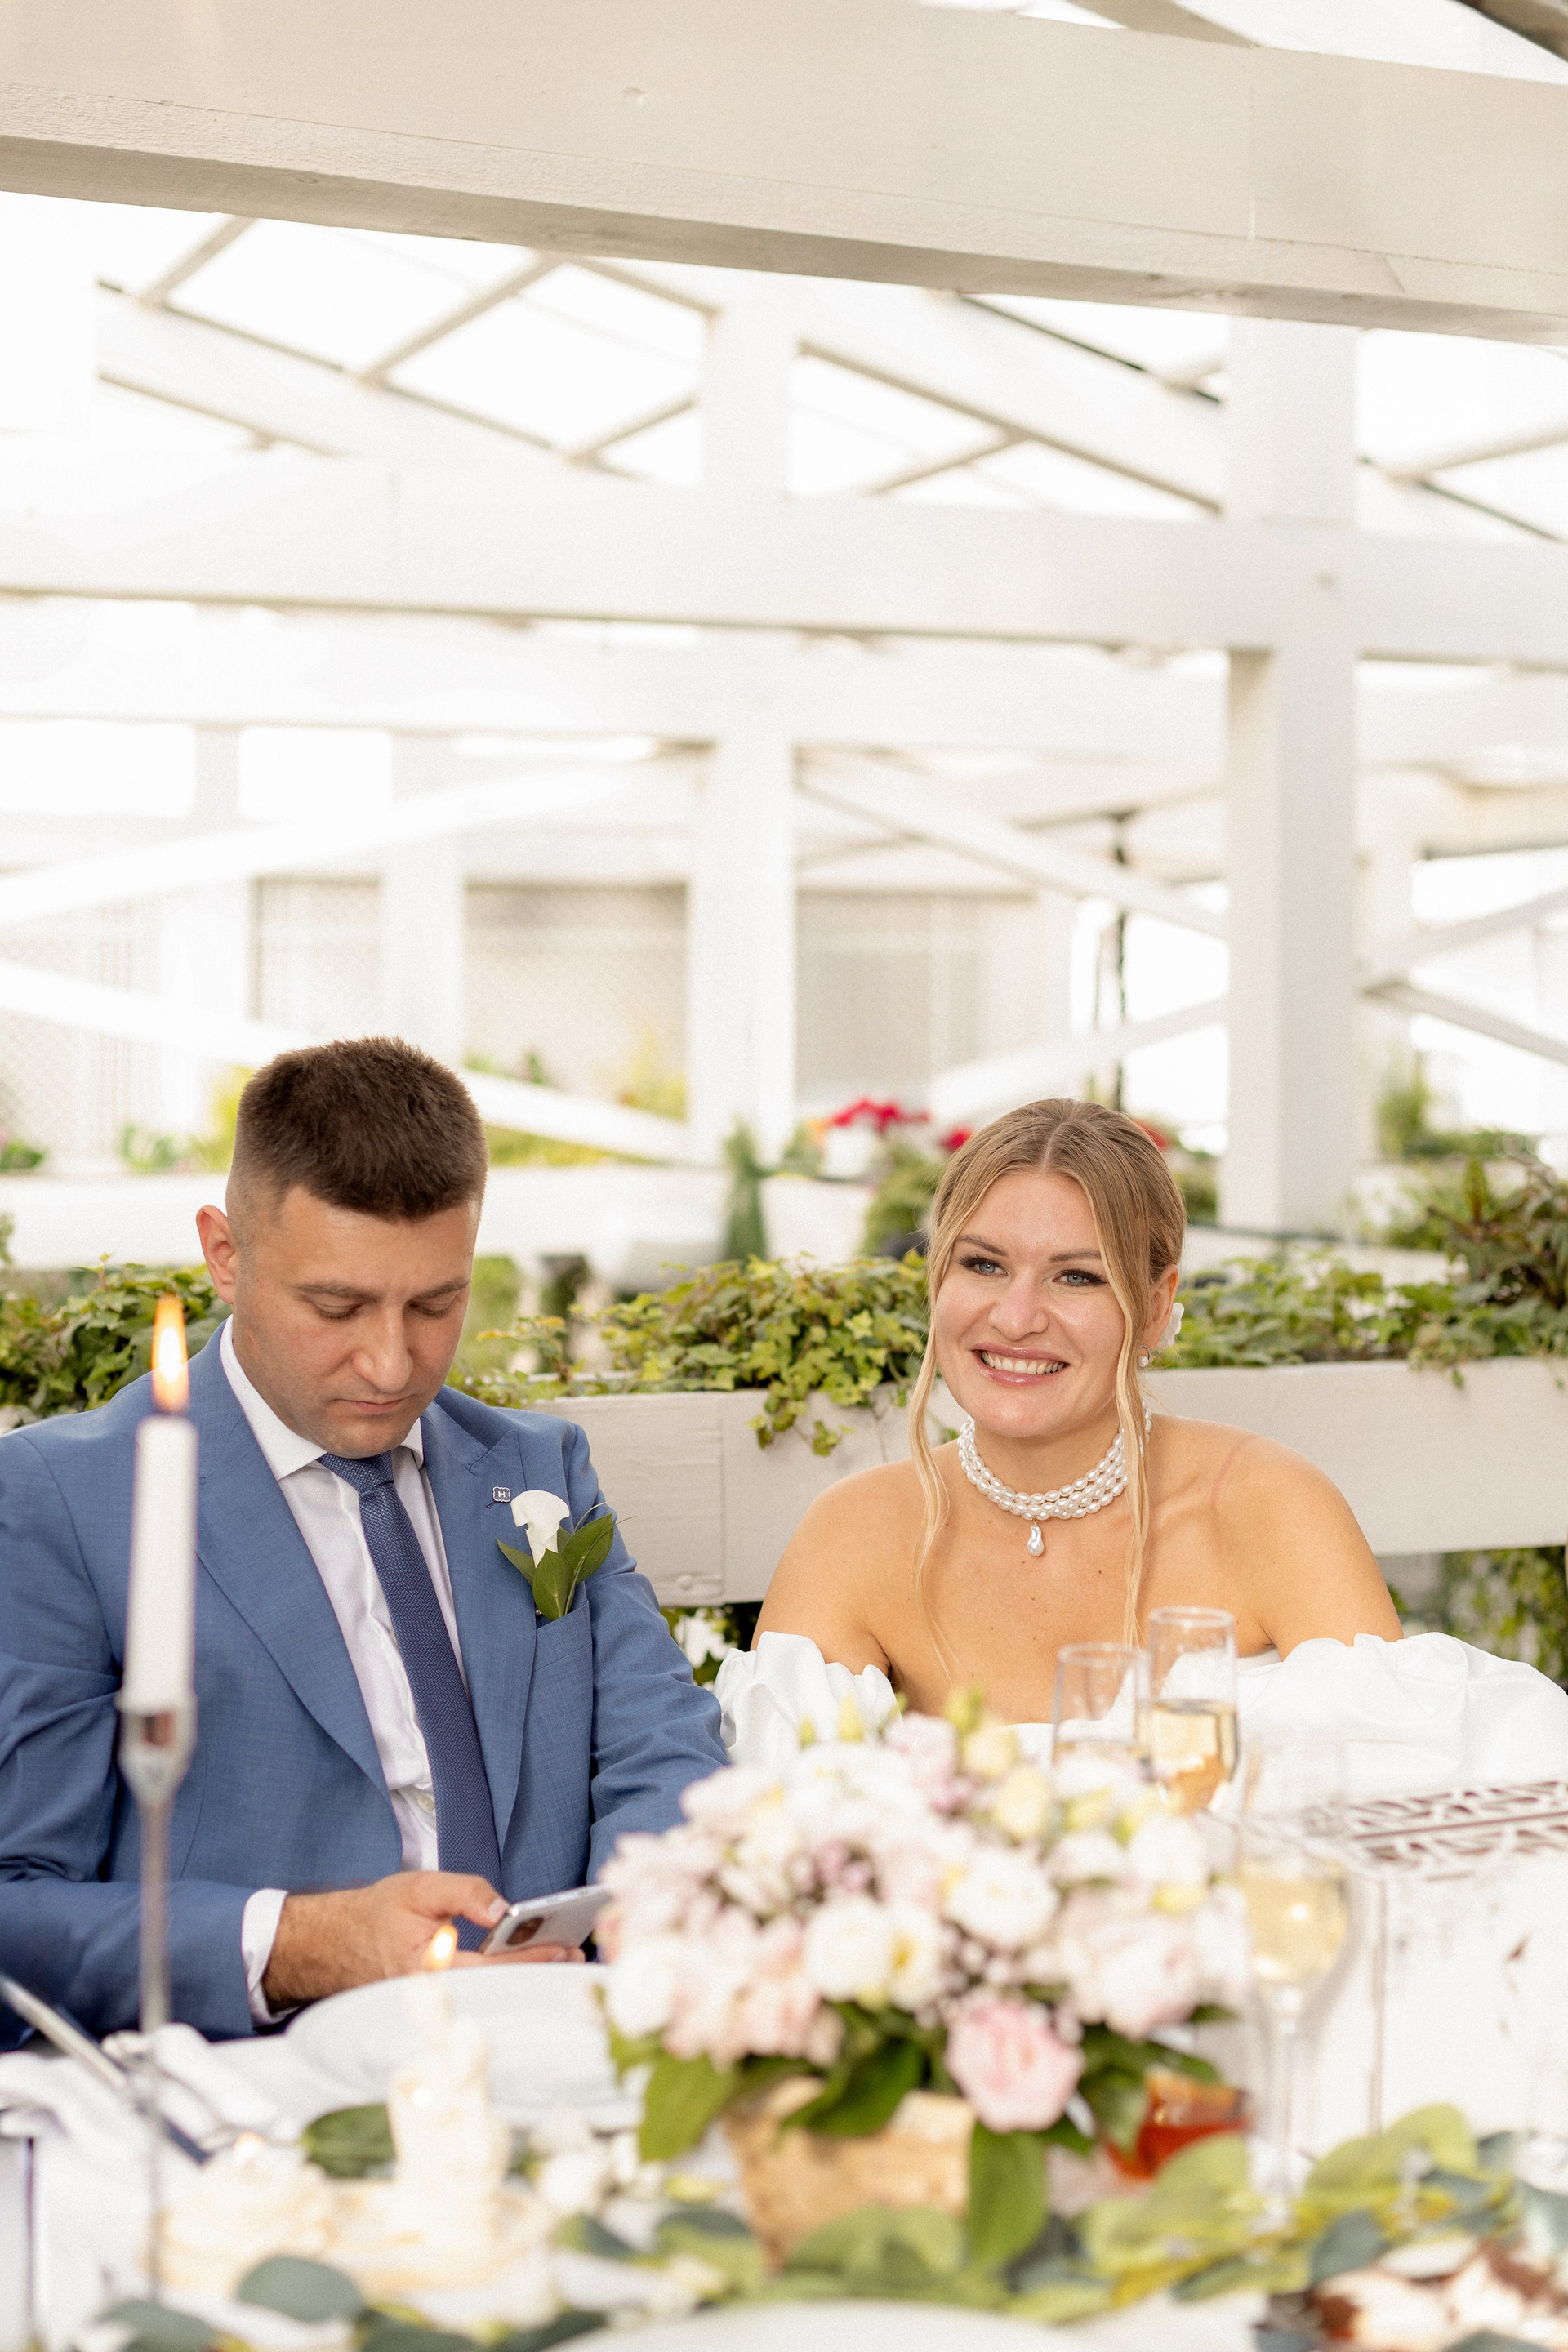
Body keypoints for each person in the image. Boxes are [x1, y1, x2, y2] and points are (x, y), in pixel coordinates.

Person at [0, 1039, 728, 2045]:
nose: (391, 1364)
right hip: (257, 2080)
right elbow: (18, 1905)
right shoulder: (63, 1500)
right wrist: (309, 1944)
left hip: (565, 2042)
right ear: (225, 1254)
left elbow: (665, 1753)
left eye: (436, 1304)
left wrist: (629, 1945)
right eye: (335, 1306)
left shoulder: (540, 1469)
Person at [719, 1098, 1568, 1793]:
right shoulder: (852, 1536)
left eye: (1076, 1276)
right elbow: (787, 1833)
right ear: (936, 1279)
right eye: (982, 1264)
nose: (1016, 1316)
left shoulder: (1267, 1507)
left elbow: (1386, 1806)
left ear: (1157, 1307)